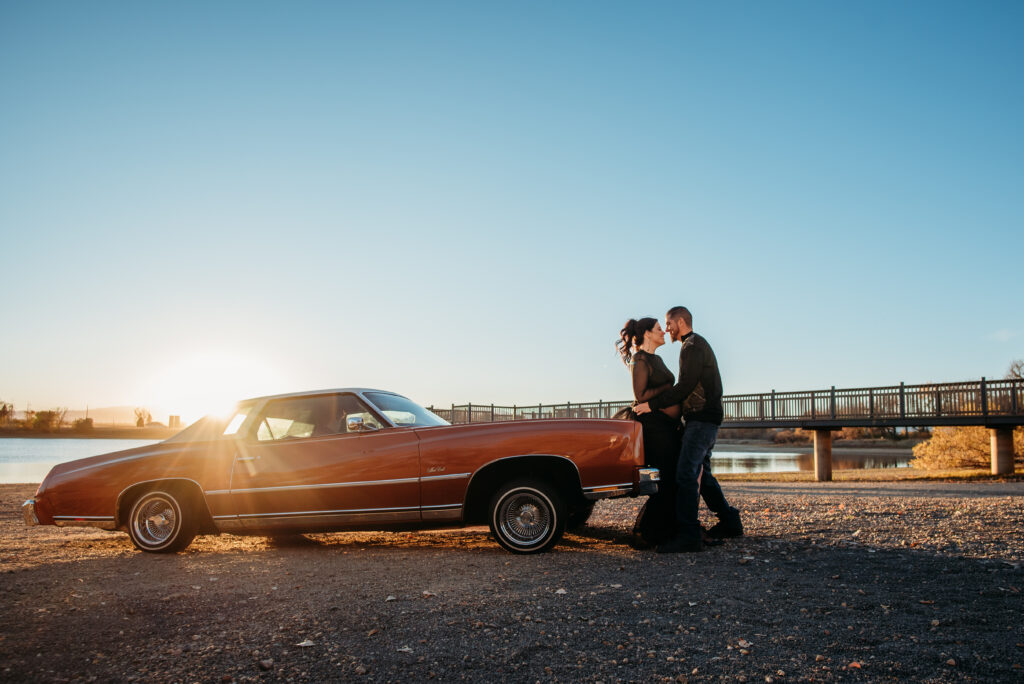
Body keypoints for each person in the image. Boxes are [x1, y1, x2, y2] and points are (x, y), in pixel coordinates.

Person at [635, 306, 743, 553]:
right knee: (702, 475)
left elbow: (685, 387)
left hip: (702, 419)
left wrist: (651, 404)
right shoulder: (692, 346)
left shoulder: (692, 346)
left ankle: (688, 535)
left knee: (685, 474)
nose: (667, 329)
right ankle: (730, 522)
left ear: (681, 321)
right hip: (703, 419)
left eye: (669, 323)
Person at [616, 317, 682, 546]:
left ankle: (667, 530)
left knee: (673, 478)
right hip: (654, 428)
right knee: (666, 479)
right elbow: (641, 396)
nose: (663, 331)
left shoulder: (657, 358)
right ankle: (648, 533)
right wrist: (672, 388)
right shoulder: (639, 359)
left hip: (666, 425)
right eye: (658, 329)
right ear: (646, 333)